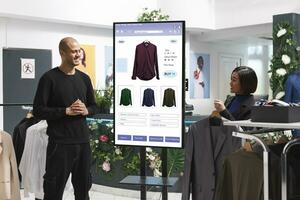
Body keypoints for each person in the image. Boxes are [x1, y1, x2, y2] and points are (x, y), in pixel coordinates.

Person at [33, 37, 99, 200]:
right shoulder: (49, 78)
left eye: (79, 51)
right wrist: (65, 111)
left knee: (83, 191)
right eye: (74, 51)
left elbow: (95, 107)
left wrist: (86, 110)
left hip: (83, 143)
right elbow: (38, 111)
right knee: (53, 191)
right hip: (60, 144)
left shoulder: (84, 78)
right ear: (62, 53)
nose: (78, 54)